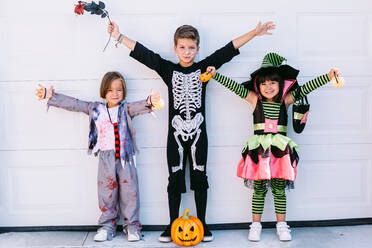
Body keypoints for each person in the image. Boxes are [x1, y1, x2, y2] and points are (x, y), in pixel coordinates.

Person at [107, 21, 276, 242]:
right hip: (175, 133)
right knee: (174, 177)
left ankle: (202, 224)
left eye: (191, 48)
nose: (187, 52)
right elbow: (144, 54)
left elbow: (227, 50)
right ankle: (173, 224)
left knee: (200, 177)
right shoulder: (168, 69)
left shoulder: (204, 68)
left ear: (197, 49)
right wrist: (119, 37)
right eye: (182, 47)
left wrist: (254, 32)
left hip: (199, 132)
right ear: (175, 48)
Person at [203, 53, 341, 242]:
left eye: (273, 83)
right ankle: (255, 226)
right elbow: (234, 87)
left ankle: (282, 226)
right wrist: (215, 74)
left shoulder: (285, 101)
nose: (268, 87)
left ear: (281, 84)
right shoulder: (255, 101)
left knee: (278, 189)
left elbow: (308, 87)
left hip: (280, 153)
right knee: (259, 189)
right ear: (258, 86)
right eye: (263, 84)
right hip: (260, 152)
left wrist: (328, 76)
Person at [35, 71, 161, 242]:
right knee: (106, 193)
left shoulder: (126, 109)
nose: (114, 94)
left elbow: (141, 106)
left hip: (125, 158)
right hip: (106, 158)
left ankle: (132, 227)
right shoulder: (95, 108)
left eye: (118, 90)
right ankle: (107, 226)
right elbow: (75, 104)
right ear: (103, 91)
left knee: (130, 193)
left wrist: (149, 101)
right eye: (110, 90)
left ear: (123, 91)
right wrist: (52, 96)